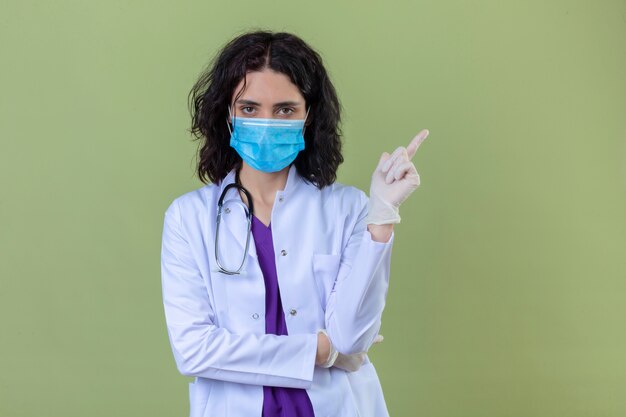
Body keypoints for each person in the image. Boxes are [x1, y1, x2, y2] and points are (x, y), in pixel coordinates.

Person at [160, 30, 429, 417]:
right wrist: (319, 351)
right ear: (227, 114)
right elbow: (194, 351)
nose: (266, 123)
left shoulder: (348, 209)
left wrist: (382, 218)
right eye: (250, 108)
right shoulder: (188, 219)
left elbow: (352, 337)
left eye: (285, 109)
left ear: (309, 116)